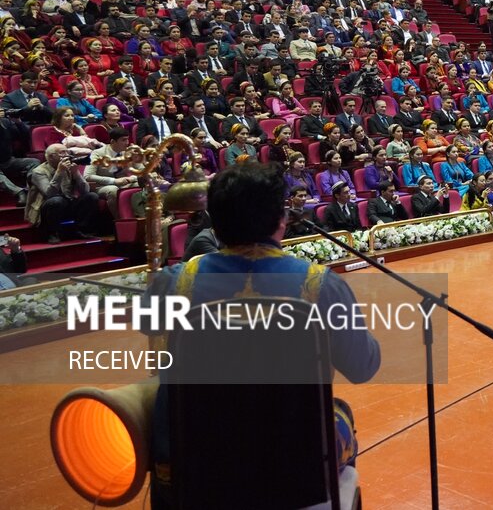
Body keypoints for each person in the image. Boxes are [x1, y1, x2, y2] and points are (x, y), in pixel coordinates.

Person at [144, 162, 380, 499]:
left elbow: (149, 330)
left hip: (197, 456)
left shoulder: (173, 282)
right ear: (281, 221)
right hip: (292, 460)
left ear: (215, 221)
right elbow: (363, 367)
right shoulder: (320, 285)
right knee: (339, 412)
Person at [27, 143, 102, 242]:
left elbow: (85, 191)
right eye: (63, 152)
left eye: (67, 151)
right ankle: (52, 233)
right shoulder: (38, 172)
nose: (67, 155)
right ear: (51, 157)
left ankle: (81, 230)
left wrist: (76, 174)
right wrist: (58, 173)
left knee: (91, 196)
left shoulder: (69, 166)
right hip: (46, 207)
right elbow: (49, 194)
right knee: (57, 200)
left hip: (68, 201)